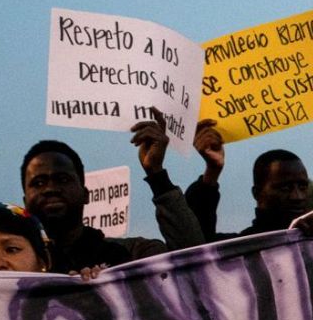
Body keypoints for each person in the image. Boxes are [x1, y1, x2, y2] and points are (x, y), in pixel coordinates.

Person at [19, 108, 204, 275]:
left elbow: (197, 262)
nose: (50, 189)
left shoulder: (133, 254)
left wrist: (157, 175)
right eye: (39, 182)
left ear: (86, 195)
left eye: (63, 179)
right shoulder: (11, 268)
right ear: (24, 202)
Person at [184, 126, 313, 239]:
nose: (297, 196)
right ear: (257, 193)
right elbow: (195, 242)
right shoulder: (239, 250)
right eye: (285, 188)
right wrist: (212, 171)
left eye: (303, 187)